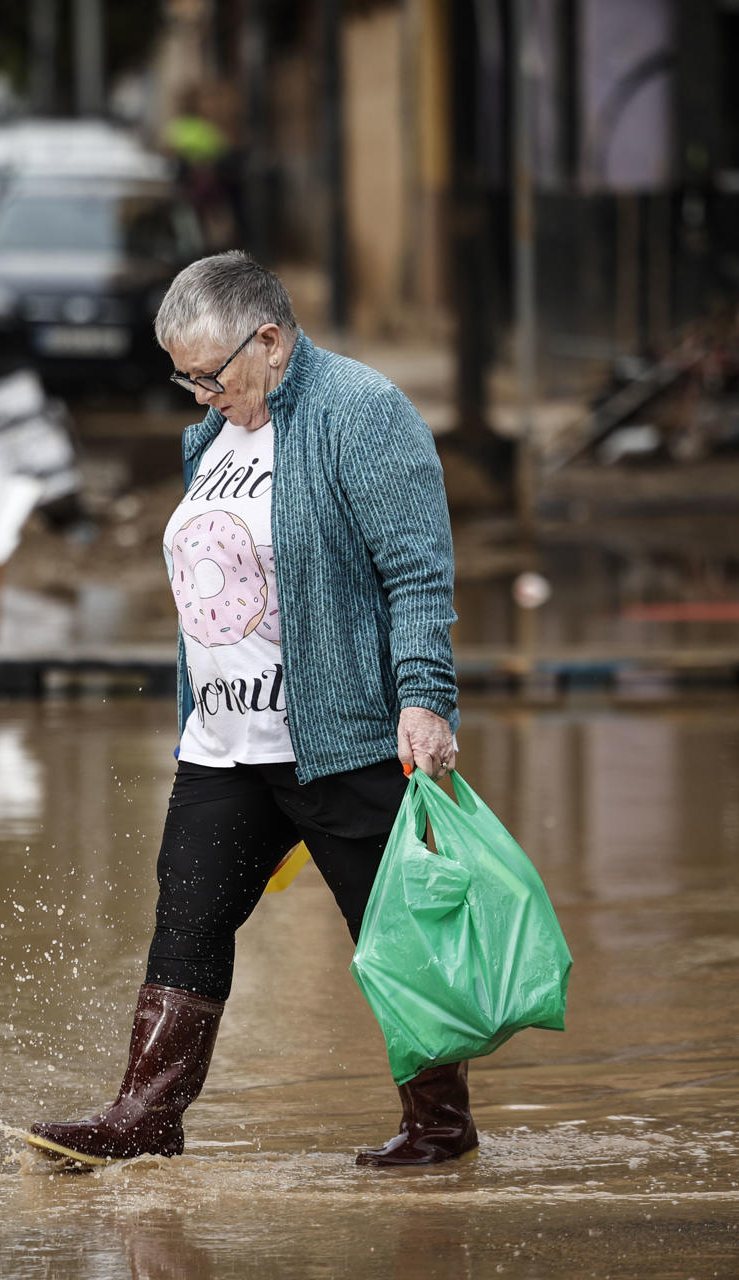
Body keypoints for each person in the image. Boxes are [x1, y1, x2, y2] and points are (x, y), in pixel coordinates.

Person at [26, 252, 474, 1168]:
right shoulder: (212, 439)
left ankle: (439, 1128)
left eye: (210, 373)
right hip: (224, 744)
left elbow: (418, 573)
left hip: (342, 739)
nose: (198, 395)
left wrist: (425, 699)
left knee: (393, 934)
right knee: (186, 921)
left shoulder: (363, 413)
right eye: (183, 376)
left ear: (268, 340)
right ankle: (145, 1119)